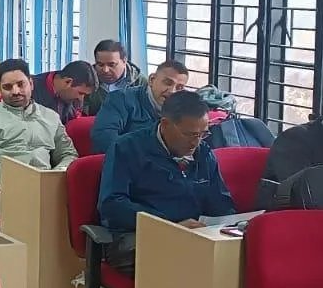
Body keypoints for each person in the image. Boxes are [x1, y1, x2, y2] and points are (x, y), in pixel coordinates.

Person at [98, 91, 235, 276]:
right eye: (190, 134)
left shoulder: (203, 152)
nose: (196, 142)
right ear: (165, 124)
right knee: (188, 262)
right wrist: (170, 225)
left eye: (203, 134)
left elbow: (220, 201)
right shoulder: (127, 148)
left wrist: (231, 226)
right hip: (138, 234)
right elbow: (112, 204)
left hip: (195, 234)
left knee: (230, 259)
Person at [0, 59, 78, 186]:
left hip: (45, 186)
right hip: (6, 185)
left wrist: (54, 175)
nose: (15, 91)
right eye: (7, 87)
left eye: (21, 84)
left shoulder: (51, 117)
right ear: (0, 90)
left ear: (31, 84)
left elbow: (68, 154)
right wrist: (10, 174)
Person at [89, 60, 190, 153]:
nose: (172, 91)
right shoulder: (120, 99)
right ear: (152, 80)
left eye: (179, 87)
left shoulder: (184, 111)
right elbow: (103, 139)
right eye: (168, 83)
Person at [87, 40, 144, 116]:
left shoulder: (141, 83)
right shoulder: (87, 80)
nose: (105, 70)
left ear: (124, 61)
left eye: (111, 65)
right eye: (100, 65)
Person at [32, 60, 97, 123]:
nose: (81, 99)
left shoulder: (74, 99)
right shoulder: (30, 91)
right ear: (68, 82)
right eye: (80, 93)